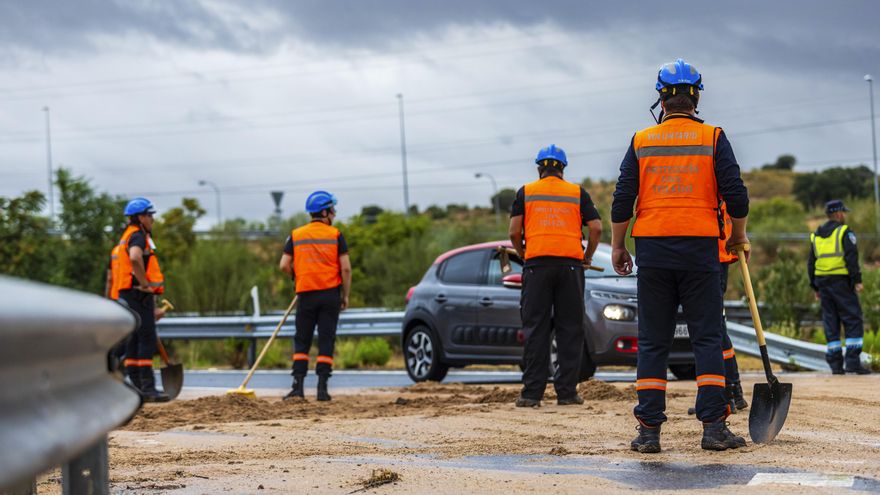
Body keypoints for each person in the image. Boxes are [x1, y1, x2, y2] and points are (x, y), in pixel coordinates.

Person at [611, 59, 749, 453]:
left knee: (653, 341)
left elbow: (622, 201)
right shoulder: (713, 137)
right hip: (700, 249)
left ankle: (649, 432)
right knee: (707, 337)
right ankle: (713, 429)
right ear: (697, 96)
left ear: (661, 98)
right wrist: (737, 236)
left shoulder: (641, 140)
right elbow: (736, 195)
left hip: (653, 250)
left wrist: (620, 246)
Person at [508, 144, 603, 407]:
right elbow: (596, 228)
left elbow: (514, 232)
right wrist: (588, 256)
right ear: (563, 168)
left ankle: (531, 395)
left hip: (537, 267)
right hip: (570, 268)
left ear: (540, 168)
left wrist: (523, 254)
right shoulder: (576, 193)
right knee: (570, 329)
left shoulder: (526, 192)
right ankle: (567, 393)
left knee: (535, 329)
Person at [279, 191, 353, 401]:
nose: (335, 214)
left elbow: (284, 265)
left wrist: (297, 275)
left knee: (302, 341)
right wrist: (345, 296)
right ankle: (322, 389)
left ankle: (298, 387)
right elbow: (346, 269)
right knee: (326, 340)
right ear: (324, 211)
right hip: (330, 295)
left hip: (306, 294)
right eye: (333, 210)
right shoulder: (335, 235)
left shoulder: (296, 235)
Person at [109, 197, 169, 402]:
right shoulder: (137, 237)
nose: (152, 219)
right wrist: (144, 283)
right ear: (140, 217)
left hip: (126, 295)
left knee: (134, 340)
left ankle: (136, 388)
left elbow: (111, 276)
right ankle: (148, 387)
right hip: (137, 293)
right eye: (150, 215)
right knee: (146, 339)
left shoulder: (124, 238)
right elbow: (135, 258)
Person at [808, 199, 871, 375]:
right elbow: (851, 258)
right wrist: (857, 280)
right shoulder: (844, 232)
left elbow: (811, 263)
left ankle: (836, 365)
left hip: (822, 283)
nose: (844, 215)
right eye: (843, 212)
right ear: (838, 213)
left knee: (831, 321)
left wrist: (815, 287)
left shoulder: (816, 235)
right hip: (841, 282)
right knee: (853, 318)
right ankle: (852, 362)